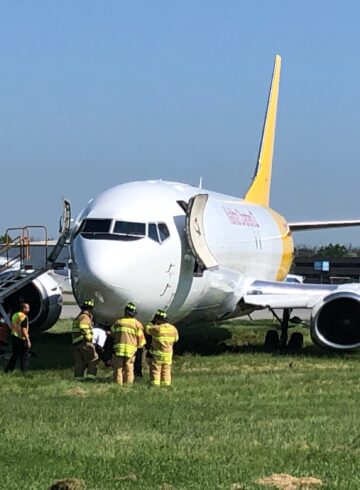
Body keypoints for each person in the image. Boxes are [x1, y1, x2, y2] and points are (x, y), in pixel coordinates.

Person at [111, 302, 145, 385]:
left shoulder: (118, 322)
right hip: (131, 351)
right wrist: (139, 346)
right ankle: (129, 384)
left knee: (118, 367)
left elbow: (112, 333)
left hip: (119, 349)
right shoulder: (137, 324)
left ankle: (118, 384)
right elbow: (141, 340)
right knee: (129, 367)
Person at [145, 309, 179, 387]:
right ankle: (166, 385)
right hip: (168, 354)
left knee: (156, 370)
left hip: (158, 354)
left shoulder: (157, 328)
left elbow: (147, 330)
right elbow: (176, 339)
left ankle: (155, 385)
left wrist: (151, 322)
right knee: (166, 370)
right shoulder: (173, 328)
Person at [72, 299, 98, 381]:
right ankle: (91, 377)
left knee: (80, 361)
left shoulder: (78, 317)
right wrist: (90, 338)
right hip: (84, 342)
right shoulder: (85, 317)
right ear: (90, 309)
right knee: (93, 358)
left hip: (76, 342)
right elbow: (83, 327)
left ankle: (78, 378)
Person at [4, 303, 31, 373]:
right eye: (28, 308)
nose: (29, 309)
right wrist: (27, 339)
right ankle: (24, 371)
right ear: (24, 309)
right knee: (24, 355)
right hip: (21, 337)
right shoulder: (24, 317)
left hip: (14, 336)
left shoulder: (15, 315)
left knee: (14, 355)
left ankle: (8, 369)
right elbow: (24, 329)